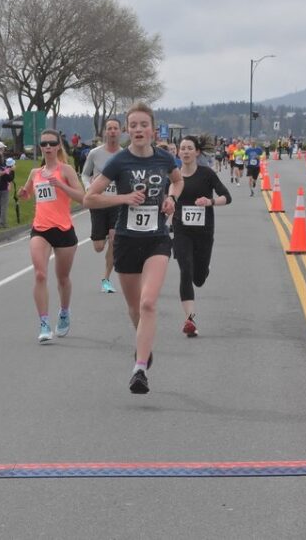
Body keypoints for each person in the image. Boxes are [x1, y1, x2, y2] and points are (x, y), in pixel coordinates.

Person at [83, 102, 183, 395]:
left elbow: (177, 183)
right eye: (134, 125)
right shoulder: (120, 162)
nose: (138, 130)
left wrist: (172, 200)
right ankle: (144, 345)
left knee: (148, 302)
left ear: (153, 129)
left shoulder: (165, 159)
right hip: (126, 240)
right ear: (128, 130)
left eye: (144, 125)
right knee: (134, 307)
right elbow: (90, 198)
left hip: (157, 239)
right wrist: (124, 198)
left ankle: (139, 368)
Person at [18, 128, 84, 343]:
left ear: (58, 146)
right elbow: (28, 194)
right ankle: (44, 323)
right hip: (41, 229)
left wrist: (62, 186)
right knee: (40, 274)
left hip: (64, 230)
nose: (47, 147)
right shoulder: (35, 173)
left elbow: (82, 198)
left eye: (51, 143)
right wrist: (24, 194)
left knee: (62, 278)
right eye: (43, 144)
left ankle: (64, 312)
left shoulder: (66, 170)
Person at [173, 135, 231, 338]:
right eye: (183, 148)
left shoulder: (207, 174)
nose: (186, 151)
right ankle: (190, 320)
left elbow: (227, 197)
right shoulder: (173, 177)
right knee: (185, 270)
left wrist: (210, 202)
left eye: (190, 148)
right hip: (181, 231)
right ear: (178, 153)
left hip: (204, 232)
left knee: (198, 278)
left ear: (197, 152)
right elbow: (164, 199)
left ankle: (204, 269)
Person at [81, 117, 123, 294]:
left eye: (115, 128)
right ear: (105, 132)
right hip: (98, 202)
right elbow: (84, 174)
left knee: (114, 238)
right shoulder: (95, 153)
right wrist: (89, 187)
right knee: (98, 247)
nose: (112, 131)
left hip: (116, 202)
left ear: (120, 132)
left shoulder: (125, 154)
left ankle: (106, 278)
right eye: (109, 128)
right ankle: (104, 235)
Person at [0, 150, 15, 229]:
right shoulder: (3, 168)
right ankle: (2, 223)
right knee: (3, 206)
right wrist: (12, 171)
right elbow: (9, 178)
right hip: (3, 188)